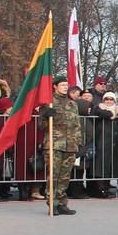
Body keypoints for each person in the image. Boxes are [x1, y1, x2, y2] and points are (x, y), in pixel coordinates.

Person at [39, 76, 81, 215]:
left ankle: (62, 202)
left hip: (70, 145)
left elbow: (77, 126)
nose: (65, 87)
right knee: (54, 175)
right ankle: (52, 203)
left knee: (65, 176)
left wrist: (79, 144)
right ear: (55, 86)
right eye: (62, 85)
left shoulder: (72, 104)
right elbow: (41, 125)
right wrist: (46, 116)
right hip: (54, 144)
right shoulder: (49, 103)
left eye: (66, 84)